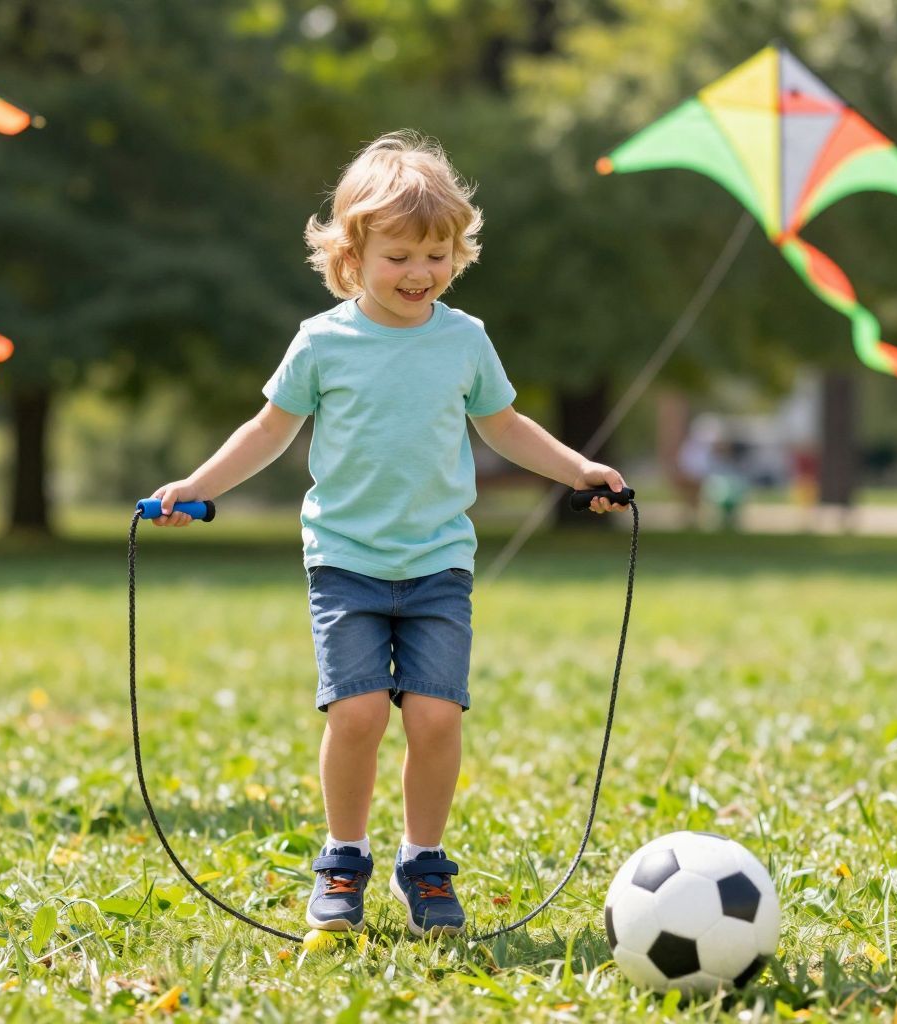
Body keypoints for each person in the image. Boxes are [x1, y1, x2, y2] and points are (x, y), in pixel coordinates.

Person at [148, 131, 626, 937]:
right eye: (400, 255)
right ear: (352, 256)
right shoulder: (322, 342)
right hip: (346, 562)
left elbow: (504, 425)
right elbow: (269, 431)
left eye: (437, 254)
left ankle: (423, 865)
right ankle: (342, 859)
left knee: (437, 719)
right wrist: (197, 486)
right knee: (359, 713)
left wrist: (579, 468)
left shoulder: (464, 340)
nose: (420, 273)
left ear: (458, 253)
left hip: (439, 563)